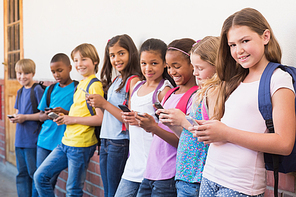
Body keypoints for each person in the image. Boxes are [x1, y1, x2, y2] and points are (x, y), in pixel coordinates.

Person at [191, 8, 295, 196]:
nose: (238, 51)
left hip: (239, 185)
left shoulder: (278, 78)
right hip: (210, 175)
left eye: (245, 41)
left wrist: (226, 133)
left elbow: (284, 143)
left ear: (265, 37)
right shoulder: (236, 78)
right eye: (232, 45)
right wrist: (210, 129)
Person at [34, 43, 104, 197]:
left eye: (84, 59)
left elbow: (100, 119)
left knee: (73, 190)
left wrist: (70, 119)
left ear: (95, 61)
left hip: (81, 145)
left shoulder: (94, 85)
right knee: (40, 177)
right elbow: (81, 111)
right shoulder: (81, 84)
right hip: (66, 142)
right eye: (76, 60)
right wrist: (64, 115)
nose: (79, 64)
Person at [158, 36, 220, 197]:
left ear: (217, 64)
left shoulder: (214, 92)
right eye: (194, 68)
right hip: (186, 174)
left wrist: (182, 120)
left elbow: (211, 133)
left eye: (199, 68)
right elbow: (188, 135)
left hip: (196, 175)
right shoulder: (202, 92)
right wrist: (174, 124)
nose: (195, 73)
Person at [135, 38, 197, 197]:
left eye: (176, 66)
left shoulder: (194, 96)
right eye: (169, 67)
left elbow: (186, 141)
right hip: (151, 169)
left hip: (169, 172)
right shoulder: (170, 93)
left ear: (193, 64)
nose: (171, 71)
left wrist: (154, 128)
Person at [115, 38, 175, 197]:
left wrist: (146, 122)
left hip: (153, 166)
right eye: (144, 63)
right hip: (133, 163)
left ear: (164, 64)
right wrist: (128, 118)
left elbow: (169, 128)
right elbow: (130, 124)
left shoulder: (164, 91)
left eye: (154, 63)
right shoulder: (137, 86)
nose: (148, 68)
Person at [87, 34, 142, 197]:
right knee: (108, 191)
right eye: (112, 55)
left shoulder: (133, 80)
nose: (116, 58)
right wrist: (97, 104)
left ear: (131, 53)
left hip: (119, 142)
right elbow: (110, 113)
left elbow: (128, 117)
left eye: (121, 53)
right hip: (106, 140)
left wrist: (104, 103)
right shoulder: (117, 79)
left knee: (114, 192)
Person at [36, 53, 76, 190]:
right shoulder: (50, 89)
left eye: (60, 70)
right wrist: (49, 114)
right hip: (44, 140)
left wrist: (65, 112)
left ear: (70, 68)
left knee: (49, 181)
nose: (56, 75)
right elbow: (40, 116)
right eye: (53, 72)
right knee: (39, 180)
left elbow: (81, 114)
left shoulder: (77, 89)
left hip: (62, 142)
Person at [9, 59, 44, 197]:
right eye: (19, 73)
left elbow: (43, 115)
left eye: (26, 73)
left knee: (33, 173)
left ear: (33, 73)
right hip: (19, 140)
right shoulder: (19, 91)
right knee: (21, 174)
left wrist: (25, 117)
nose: (22, 76)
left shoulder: (38, 90)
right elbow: (19, 112)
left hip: (32, 140)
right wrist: (16, 117)